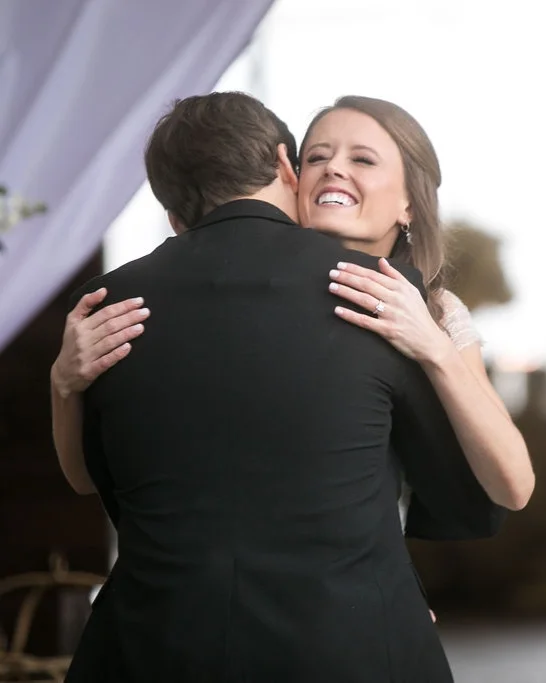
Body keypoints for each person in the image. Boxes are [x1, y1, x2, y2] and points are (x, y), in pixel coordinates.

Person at [54, 91, 505, 682]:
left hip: (153, 646)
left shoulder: (104, 307)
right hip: (350, 645)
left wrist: (61, 386)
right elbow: (463, 489)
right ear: (285, 166)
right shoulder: (381, 296)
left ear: (171, 209)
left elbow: (86, 479)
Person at [53, 97, 533, 522]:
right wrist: (63, 383)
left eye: (362, 159)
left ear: (409, 204)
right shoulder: (241, 290)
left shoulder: (435, 310)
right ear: (290, 174)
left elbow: (513, 487)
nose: (333, 168)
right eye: (316, 157)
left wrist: (435, 347)